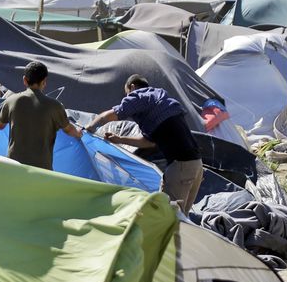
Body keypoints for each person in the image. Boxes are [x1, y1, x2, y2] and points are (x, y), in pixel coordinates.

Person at [85, 75, 203, 213]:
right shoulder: (160, 99)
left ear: (132, 87)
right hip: (196, 165)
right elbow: (150, 142)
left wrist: (89, 127)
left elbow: (112, 114)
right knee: (181, 217)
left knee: (166, 215)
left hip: (181, 166)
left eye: (126, 94)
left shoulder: (139, 95)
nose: (127, 98)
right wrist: (120, 139)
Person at [0, 61, 82, 170]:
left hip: (14, 166)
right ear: (44, 82)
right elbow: (68, 130)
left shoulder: (11, 101)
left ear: (24, 80)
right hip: (42, 168)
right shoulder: (55, 106)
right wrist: (78, 133)